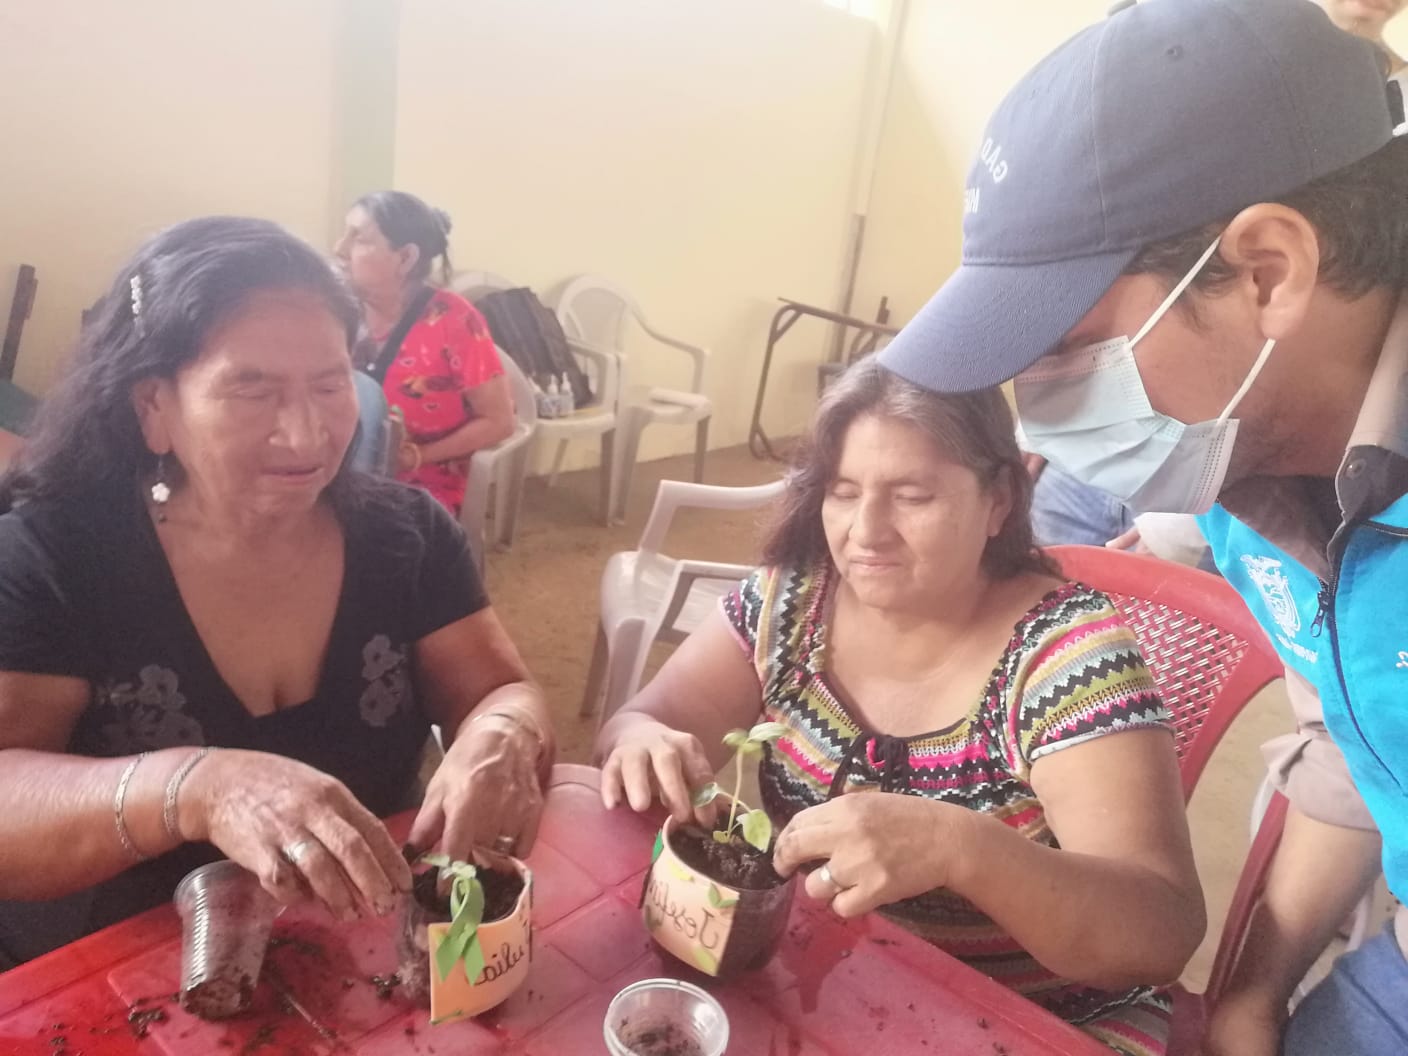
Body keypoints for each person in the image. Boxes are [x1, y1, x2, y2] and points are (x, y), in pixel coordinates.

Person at [874, 1, 1408, 1053]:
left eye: (1070, 349)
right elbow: (1357, 750)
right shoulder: (1250, 475)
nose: (1040, 412)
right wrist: (1253, 991)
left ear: (1267, 271)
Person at [596, 359, 1204, 1056]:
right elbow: (638, 725)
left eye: (912, 496)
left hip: (1043, 1019)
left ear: (999, 500)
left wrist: (961, 848)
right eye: (843, 492)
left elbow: (1159, 931)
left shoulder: (1067, 660)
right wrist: (641, 739)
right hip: (838, 979)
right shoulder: (792, 604)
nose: (866, 532)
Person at [0, 217, 553, 969]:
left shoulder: (406, 536)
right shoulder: (53, 557)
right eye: (251, 389)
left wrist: (505, 732)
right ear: (154, 406)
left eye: (329, 384)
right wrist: (195, 787)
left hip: (361, 948)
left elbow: (498, 690)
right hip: (123, 966)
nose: (305, 435)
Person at [333, 191, 514, 515]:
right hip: (343, 471)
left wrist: (416, 456)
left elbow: (499, 422)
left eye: (358, 239)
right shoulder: (339, 311)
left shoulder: (454, 320)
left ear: (405, 258)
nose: (339, 249)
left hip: (420, 485)